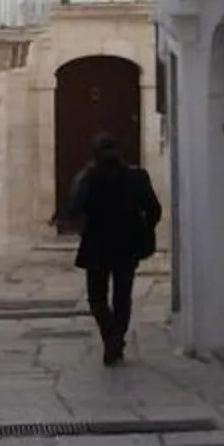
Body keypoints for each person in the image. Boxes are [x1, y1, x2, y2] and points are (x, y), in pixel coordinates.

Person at [67, 134, 162, 365]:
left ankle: (111, 337)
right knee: (122, 297)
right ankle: (115, 339)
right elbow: (154, 210)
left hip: (96, 247)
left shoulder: (89, 178)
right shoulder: (137, 177)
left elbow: (74, 209)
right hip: (126, 246)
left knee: (97, 298)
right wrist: (143, 230)